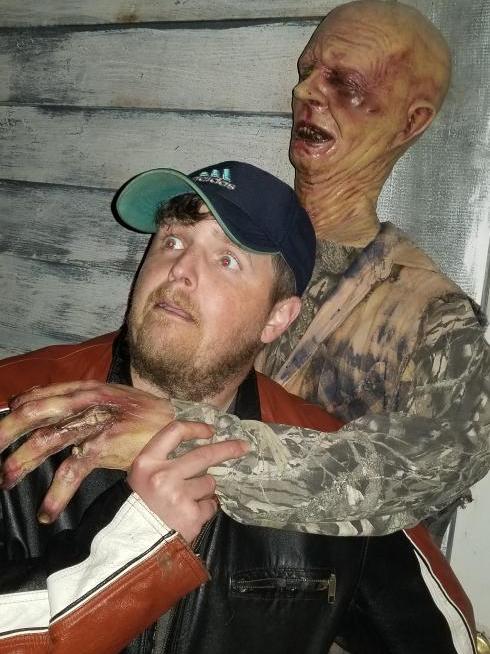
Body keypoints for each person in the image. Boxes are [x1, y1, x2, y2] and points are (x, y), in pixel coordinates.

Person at [1, 0, 488, 541]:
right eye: (307, 71)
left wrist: (189, 442)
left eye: (343, 81)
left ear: (411, 121)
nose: (304, 91)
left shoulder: (433, 318)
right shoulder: (220, 219)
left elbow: (432, 467)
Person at [0, 161, 476, 653]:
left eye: (226, 259)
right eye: (173, 240)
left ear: (277, 318)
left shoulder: (329, 467)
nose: (180, 271)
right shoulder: (17, 409)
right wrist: (135, 548)